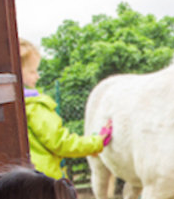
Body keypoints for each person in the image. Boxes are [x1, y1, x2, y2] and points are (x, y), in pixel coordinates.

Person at [19, 39, 110, 180]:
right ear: (18, 73)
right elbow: (61, 143)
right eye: (32, 71)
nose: (37, 76)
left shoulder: (13, 105)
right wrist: (97, 142)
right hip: (42, 180)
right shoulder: (34, 106)